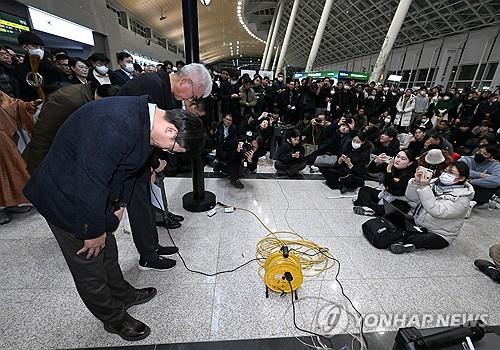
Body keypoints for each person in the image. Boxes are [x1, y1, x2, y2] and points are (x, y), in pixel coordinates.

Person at [24, 98, 205, 341]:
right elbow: (90, 181)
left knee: (108, 252)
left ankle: (122, 293)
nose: (165, 151)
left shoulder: (144, 120)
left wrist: (119, 205)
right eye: (172, 149)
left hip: (96, 198)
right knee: (90, 265)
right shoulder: (116, 124)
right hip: (66, 199)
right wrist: (92, 231)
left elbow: (126, 170)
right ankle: (113, 318)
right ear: (171, 131)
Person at [118, 63, 213, 269]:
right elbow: (141, 132)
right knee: (140, 206)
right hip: (129, 157)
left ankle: (153, 246)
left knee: (147, 204)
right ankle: (148, 256)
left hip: (141, 157)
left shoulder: (164, 89)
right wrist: (153, 162)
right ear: (186, 82)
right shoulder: (151, 86)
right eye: (194, 95)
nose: (190, 100)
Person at [22, 84, 120, 174]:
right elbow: (43, 136)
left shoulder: (92, 97)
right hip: (45, 161)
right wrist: (41, 170)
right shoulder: (67, 100)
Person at [394, 162, 474, 253]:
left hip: (439, 233)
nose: (445, 174)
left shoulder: (462, 199)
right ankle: (403, 240)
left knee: (422, 238)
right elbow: (411, 198)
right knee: (396, 215)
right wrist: (416, 182)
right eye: (445, 171)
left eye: (451, 173)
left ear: (462, 178)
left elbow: (436, 210)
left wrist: (424, 187)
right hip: (420, 223)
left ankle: (405, 241)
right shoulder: (434, 182)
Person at [0, 91, 40, 224]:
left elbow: (12, 104)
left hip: (3, 139)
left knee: (13, 169)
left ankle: (11, 203)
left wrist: (28, 106)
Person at [354, 150, 415, 216]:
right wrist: (375, 161)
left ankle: (366, 204)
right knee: (364, 189)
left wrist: (389, 171)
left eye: (403, 159)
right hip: (385, 194)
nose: (398, 160)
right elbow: (370, 170)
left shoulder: (411, 176)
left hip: (398, 199)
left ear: (410, 163)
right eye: (397, 157)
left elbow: (394, 189)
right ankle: (370, 207)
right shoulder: (391, 165)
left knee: (397, 209)